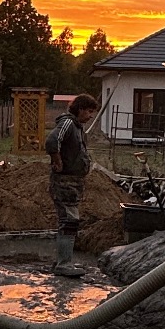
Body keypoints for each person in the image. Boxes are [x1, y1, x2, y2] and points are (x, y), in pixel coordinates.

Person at [46, 92, 99, 278]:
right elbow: (53, 140)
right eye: (89, 111)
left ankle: (63, 260)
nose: (91, 116)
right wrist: (57, 160)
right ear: (81, 109)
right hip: (65, 183)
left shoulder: (77, 127)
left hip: (72, 184)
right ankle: (64, 264)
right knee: (69, 222)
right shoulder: (68, 123)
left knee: (68, 221)